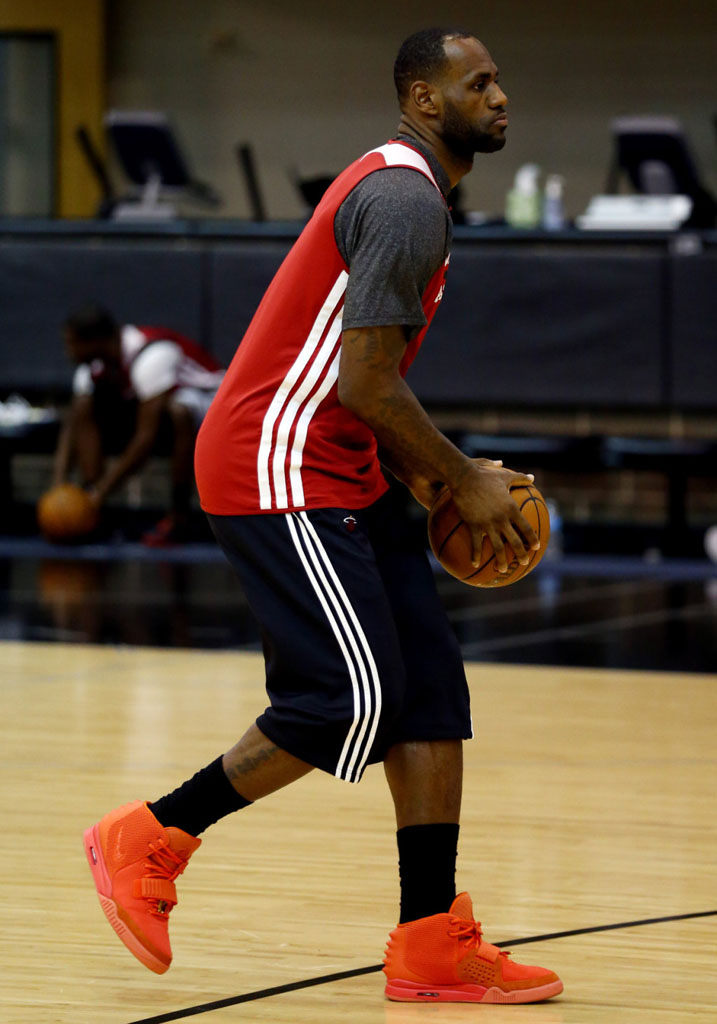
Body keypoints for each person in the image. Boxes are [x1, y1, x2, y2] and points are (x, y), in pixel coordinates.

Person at [83, 28, 563, 1004]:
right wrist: (461, 475)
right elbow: (365, 380)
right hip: (278, 463)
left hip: (338, 461)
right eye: (480, 83)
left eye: (501, 79)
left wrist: (420, 478)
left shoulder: (415, 195)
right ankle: (150, 835)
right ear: (425, 101)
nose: (501, 95)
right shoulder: (402, 195)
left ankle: (431, 939)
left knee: (428, 687)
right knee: (349, 698)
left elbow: (362, 388)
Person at [54, 306, 225, 544]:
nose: (68, 351)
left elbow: (146, 438)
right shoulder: (91, 369)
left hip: (213, 406)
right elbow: (72, 424)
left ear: (94, 341)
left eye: (72, 344)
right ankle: (92, 501)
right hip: (149, 408)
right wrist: (58, 487)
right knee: (83, 406)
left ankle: (179, 517)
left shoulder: (152, 354)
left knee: (179, 413)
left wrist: (99, 496)